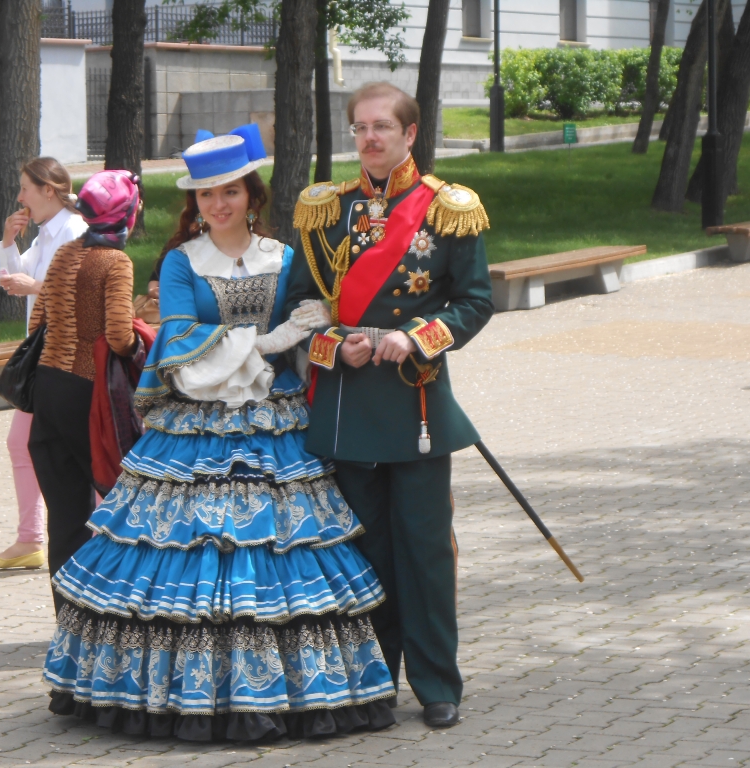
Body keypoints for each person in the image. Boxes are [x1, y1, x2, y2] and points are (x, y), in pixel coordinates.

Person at [40, 125, 397, 742]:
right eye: (206, 196)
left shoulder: (284, 258)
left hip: (273, 419)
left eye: (229, 192)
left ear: (251, 195)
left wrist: (307, 328)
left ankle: (291, 691)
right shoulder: (180, 262)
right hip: (196, 420)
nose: (218, 205)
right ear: (195, 204)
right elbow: (176, 341)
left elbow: (313, 320)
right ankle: (175, 691)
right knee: (187, 545)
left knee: (278, 544)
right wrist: (267, 339)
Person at [283, 83, 494, 729]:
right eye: (360, 128)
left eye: (382, 127)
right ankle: (373, 682)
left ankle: (436, 685)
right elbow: (300, 308)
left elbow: (476, 300)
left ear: (409, 133)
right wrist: (330, 345)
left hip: (417, 406)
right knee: (365, 556)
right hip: (348, 408)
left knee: (426, 551)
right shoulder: (326, 210)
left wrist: (416, 336)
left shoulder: (448, 210)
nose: (370, 138)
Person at [28, 170, 141, 615]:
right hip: (88, 394)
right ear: (124, 214)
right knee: (117, 503)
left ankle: (69, 621)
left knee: (66, 518)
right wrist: (139, 343)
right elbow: (117, 335)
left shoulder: (65, 253)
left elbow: (38, 320)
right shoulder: (116, 262)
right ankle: (113, 611)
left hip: (48, 391)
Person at [0, 157, 89, 571]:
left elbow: (84, 289)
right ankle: (31, 538)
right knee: (25, 443)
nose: (20, 196)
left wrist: (33, 286)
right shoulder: (47, 233)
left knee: (64, 448)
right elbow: (16, 276)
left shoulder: (74, 231)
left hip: (64, 357)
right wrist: (8, 244)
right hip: (43, 353)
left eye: (26, 187)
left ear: (48, 190)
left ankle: (49, 537)